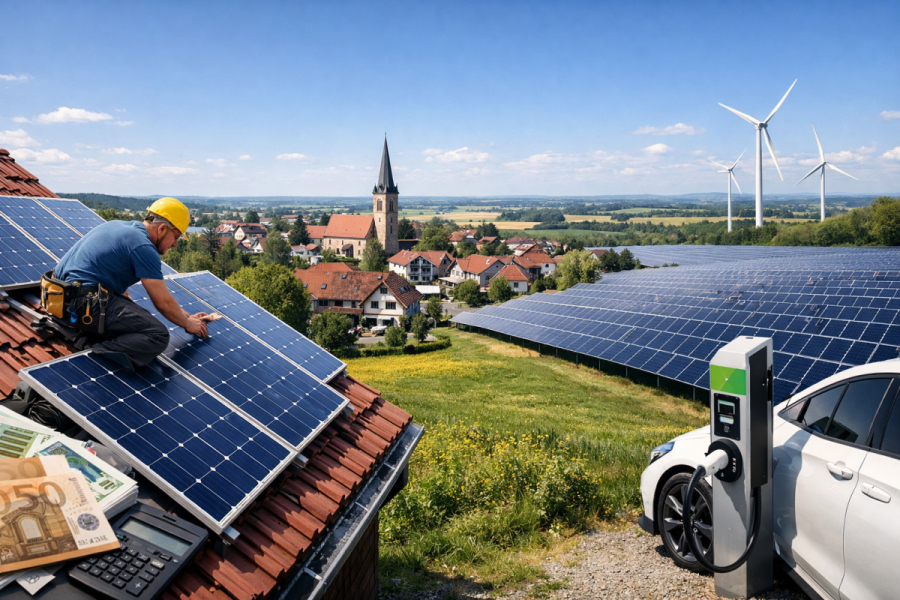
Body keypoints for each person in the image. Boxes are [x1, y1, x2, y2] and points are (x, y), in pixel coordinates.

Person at [49, 197, 209, 368]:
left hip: (57, 297)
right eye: (175, 237)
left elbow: (123, 293)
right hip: (81, 304)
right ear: (162, 229)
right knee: (157, 335)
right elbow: (162, 302)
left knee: (133, 313)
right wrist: (188, 324)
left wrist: (185, 316)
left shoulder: (119, 227)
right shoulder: (143, 247)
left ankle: (91, 333)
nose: (175, 244)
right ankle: (93, 350)